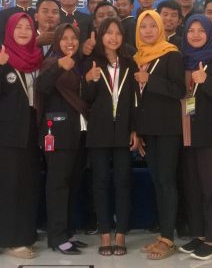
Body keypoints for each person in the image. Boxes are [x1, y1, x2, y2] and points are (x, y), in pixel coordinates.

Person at [0, 12, 43, 259]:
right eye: (18, 27)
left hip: (31, 131)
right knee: (7, 188)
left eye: (28, 27)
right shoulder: (2, 57)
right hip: (6, 134)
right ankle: (8, 239)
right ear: (9, 30)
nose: (24, 31)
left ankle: (25, 236)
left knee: (27, 185)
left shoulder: (37, 58)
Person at [82, 17, 139, 256]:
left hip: (124, 130)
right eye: (108, 32)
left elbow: (136, 100)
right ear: (101, 35)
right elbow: (86, 99)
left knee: (123, 182)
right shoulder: (91, 62)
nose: (113, 37)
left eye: (118, 33)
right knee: (101, 182)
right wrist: (88, 80)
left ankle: (121, 233)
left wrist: (135, 129)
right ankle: (105, 233)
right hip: (99, 131)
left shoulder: (130, 63)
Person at [177, 15, 212, 261]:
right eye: (191, 30)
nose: (196, 34)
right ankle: (199, 234)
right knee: (193, 185)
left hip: (210, 131)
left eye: (201, 30)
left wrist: (206, 80)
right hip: (186, 129)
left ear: (209, 33)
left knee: (211, 186)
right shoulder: (182, 59)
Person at [133, 10, 186, 260]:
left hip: (167, 129)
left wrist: (149, 79)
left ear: (161, 28)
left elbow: (179, 90)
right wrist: (139, 129)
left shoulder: (171, 54)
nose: (148, 31)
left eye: (152, 26)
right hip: (149, 130)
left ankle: (168, 238)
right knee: (158, 182)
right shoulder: (137, 57)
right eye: (143, 27)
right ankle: (164, 234)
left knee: (166, 182)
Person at [37, 23, 89, 255]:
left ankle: (66, 231)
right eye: (64, 38)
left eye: (74, 38)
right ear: (57, 41)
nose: (70, 42)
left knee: (71, 184)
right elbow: (43, 86)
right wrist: (59, 66)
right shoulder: (51, 62)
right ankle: (56, 236)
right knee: (57, 185)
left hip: (77, 133)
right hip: (57, 133)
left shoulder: (79, 65)